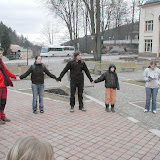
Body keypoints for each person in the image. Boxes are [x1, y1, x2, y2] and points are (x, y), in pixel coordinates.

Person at [0, 48, 20, 125]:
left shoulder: (1, 62)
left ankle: (2, 116)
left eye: (1, 54)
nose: (1, 55)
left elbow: (7, 71)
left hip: (3, 85)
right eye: (0, 54)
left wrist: (15, 77)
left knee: (3, 102)